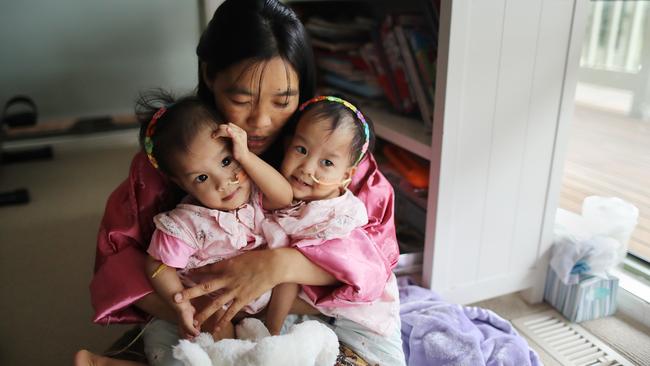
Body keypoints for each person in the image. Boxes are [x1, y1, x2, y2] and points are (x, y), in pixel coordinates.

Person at [83, 0, 403, 364]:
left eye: (283, 101)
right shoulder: (173, 155)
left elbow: (375, 261)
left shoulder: (333, 151)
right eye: (241, 99)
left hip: (310, 312)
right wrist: (205, 312)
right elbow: (122, 261)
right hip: (204, 315)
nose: (262, 121)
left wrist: (281, 265)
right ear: (209, 75)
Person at [133, 92, 296, 342]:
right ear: (181, 184)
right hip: (216, 300)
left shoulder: (255, 191)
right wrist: (181, 304)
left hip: (262, 294)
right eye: (201, 178)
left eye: (227, 160)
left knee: (293, 283)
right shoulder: (186, 223)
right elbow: (157, 264)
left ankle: (273, 335)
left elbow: (285, 196)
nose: (224, 183)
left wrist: (247, 158)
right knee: (217, 324)